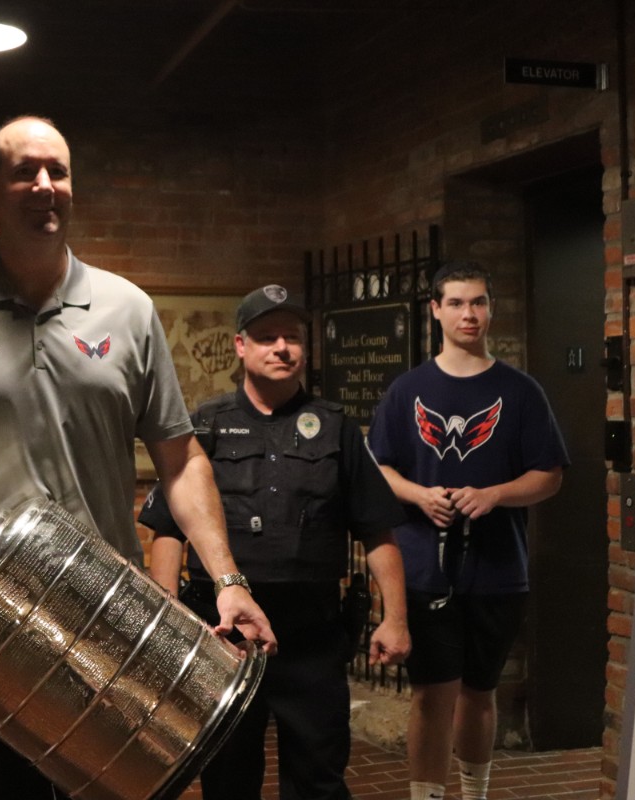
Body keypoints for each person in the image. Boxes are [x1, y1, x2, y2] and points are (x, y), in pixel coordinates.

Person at [0, 115, 277, 800]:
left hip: (112, 620)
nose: (45, 185)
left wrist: (227, 578)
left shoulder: (127, 309)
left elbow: (181, 460)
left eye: (58, 171)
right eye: (24, 172)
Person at [140, 284, 411, 800]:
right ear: (241, 346)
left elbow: (377, 527)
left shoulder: (335, 428)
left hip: (311, 633)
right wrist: (167, 615)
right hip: (224, 636)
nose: (282, 348)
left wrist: (395, 618)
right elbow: (169, 527)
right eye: (267, 337)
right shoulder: (206, 424)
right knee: (228, 779)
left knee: (319, 779)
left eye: (292, 337)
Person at [366, 261, 568, 800]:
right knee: (432, 695)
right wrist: (419, 494)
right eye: (456, 303)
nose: (468, 314)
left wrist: (495, 494)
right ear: (435, 310)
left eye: (478, 302)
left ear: (490, 309)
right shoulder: (407, 390)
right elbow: (377, 468)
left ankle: (474, 794)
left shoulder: (520, 391)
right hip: (425, 571)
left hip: (499, 569)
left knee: (480, 692)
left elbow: (549, 475)